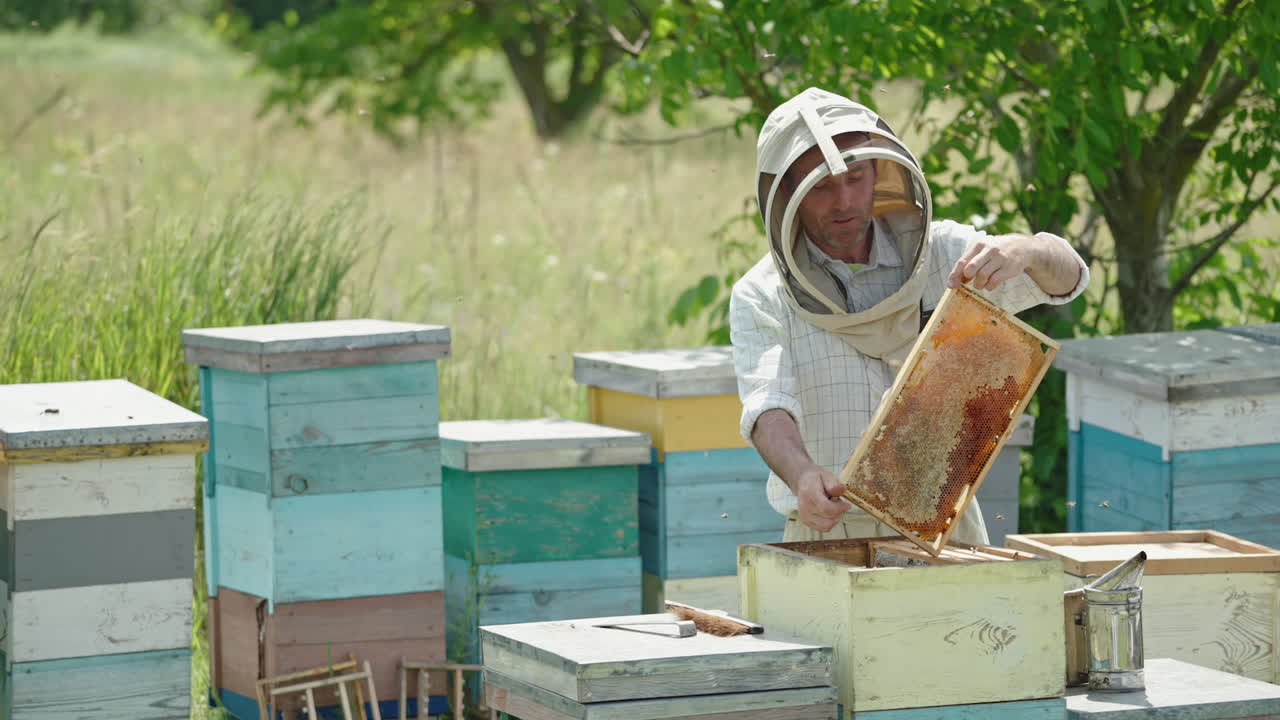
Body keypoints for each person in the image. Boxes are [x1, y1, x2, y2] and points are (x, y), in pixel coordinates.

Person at [730, 87, 1090, 545]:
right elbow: (767, 406)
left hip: (948, 530)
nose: (843, 201)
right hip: (831, 533)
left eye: (855, 178)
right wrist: (802, 476)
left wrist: (1028, 248)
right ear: (788, 195)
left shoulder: (943, 254)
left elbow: (1068, 278)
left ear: (879, 171)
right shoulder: (762, 295)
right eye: (821, 187)